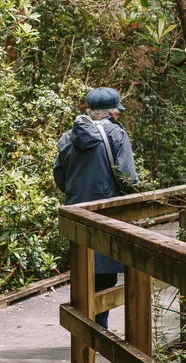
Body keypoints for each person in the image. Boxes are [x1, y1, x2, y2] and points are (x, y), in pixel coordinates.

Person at [53, 87, 138, 329]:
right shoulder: (116, 134)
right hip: (106, 213)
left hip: (76, 213)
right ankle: (98, 328)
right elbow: (128, 179)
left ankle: (84, 325)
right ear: (113, 112)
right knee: (104, 272)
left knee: (83, 268)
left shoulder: (69, 137)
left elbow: (60, 177)